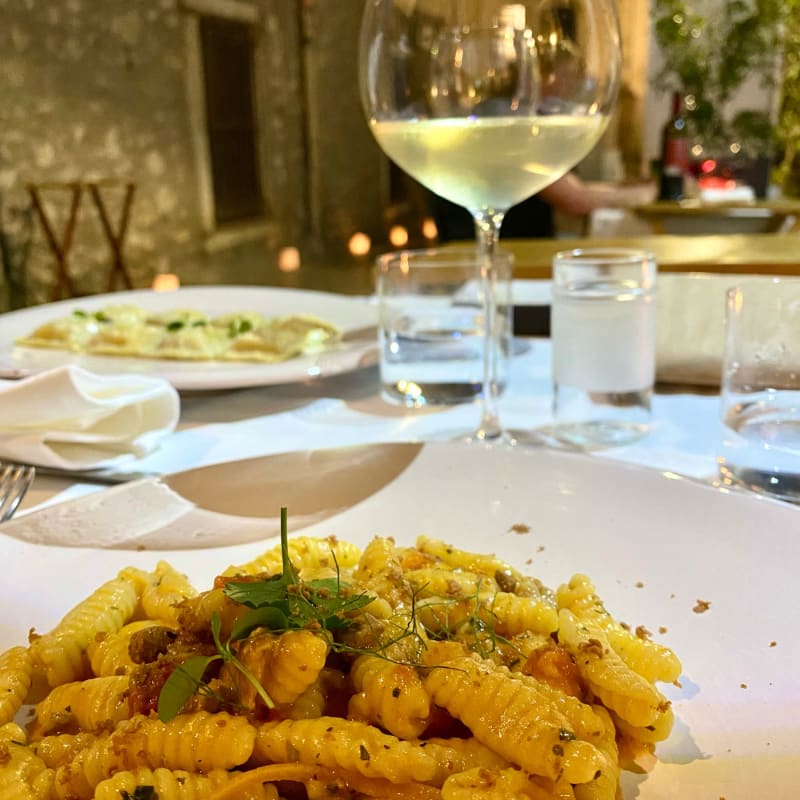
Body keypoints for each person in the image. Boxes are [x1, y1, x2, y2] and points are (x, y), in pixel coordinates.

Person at [431, 172, 657, 242]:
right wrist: (641, 194)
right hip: (512, 258)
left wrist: (625, 188)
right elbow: (575, 200)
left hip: (512, 258)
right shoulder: (511, 132)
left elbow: (573, 187)